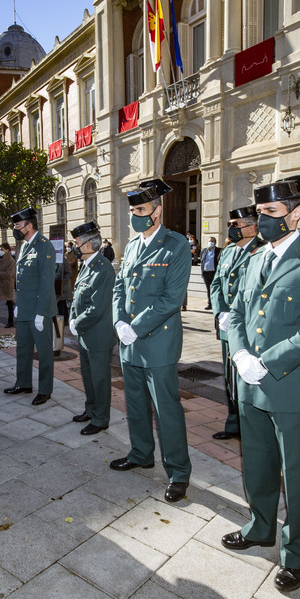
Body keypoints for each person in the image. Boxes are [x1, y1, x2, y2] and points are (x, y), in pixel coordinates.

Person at [221, 175, 300, 593]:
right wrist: (239, 353)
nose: (263, 220)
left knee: (295, 475)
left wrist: (266, 363)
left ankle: (296, 554)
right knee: (255, 463)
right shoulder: (254, 257)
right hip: (249, 381)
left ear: (296, 213)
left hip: (289, 383)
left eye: (271, 213)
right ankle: (259, 527)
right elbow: (235, 312)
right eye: (260, 213)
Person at [111, 179, 193, 503]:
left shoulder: (176, 245)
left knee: (166, 409)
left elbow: (172, 298)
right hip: (129, 342)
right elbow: (120, 287)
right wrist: (119, 320)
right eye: (132, 211)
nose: (135, 216)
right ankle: (141, 452)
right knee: (135, 404)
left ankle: (178, 472)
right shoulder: (132, 246)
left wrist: (137, 326)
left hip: (157, 343)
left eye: (141, 210)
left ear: (157, 211)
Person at [209, 205, 264, 440]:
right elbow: (216, 284)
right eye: (230, 225)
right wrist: (221, 312)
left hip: (249, 329)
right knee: (230, 376)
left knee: (248, 377)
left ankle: (251, 426)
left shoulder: (262, 251)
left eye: (236, 225)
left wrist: (237, 315)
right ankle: (234, 423)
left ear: (252, 227)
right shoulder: (228, 251)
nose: (231, 229)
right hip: (226, 327)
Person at [4, 207, 56, 405]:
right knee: (23, 349)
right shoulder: (24, 246)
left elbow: (46, 283)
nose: (16, 228)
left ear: (29, 225)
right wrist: (18, 304)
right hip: (25, 308)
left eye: (18, 225)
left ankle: (45, 389)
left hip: (39, 310)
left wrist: (42, 313)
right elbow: (23, 280)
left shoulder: (44, 246)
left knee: (43, 352)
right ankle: (23, 383)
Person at [68, 221, 115, 435]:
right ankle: (91, 409)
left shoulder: (103, 269)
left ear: (88, 245)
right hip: (86, 333)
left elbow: (96, 307)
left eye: (77, 243)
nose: (74, 247)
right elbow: (77, 297)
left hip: (97, 334)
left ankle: (101, 418)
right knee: (88, 377)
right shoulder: (86, 265)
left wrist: (76, 324)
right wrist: (71, 318)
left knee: (100, 379)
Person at [0, 242, 16, 328]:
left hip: (7, 284)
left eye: (2, 249)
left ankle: (10, 322)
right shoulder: (0, 258)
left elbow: (9, 274)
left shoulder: (11, 260)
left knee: (9, 303)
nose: (0, 251)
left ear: (7, 250)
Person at [200, 236, 221, 310]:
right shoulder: (204, 251)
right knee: (209, 289)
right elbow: (202, 261)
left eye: (212, 241)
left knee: (216, 289)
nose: (210, 242)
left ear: (215, 243)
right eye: (209, 241)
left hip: (214, 273)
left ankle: (216, 304)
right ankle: (210, 304)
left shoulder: (219, 251)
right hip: (206, 273)